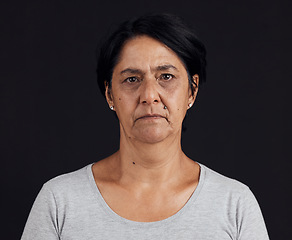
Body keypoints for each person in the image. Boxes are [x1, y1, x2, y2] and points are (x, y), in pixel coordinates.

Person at [21, 13, 269, 240]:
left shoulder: (234, 204)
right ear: (109, 94)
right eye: (132, 79)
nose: (149, 95)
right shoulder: (60, 202)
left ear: (192, 91)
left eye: (166, 77)